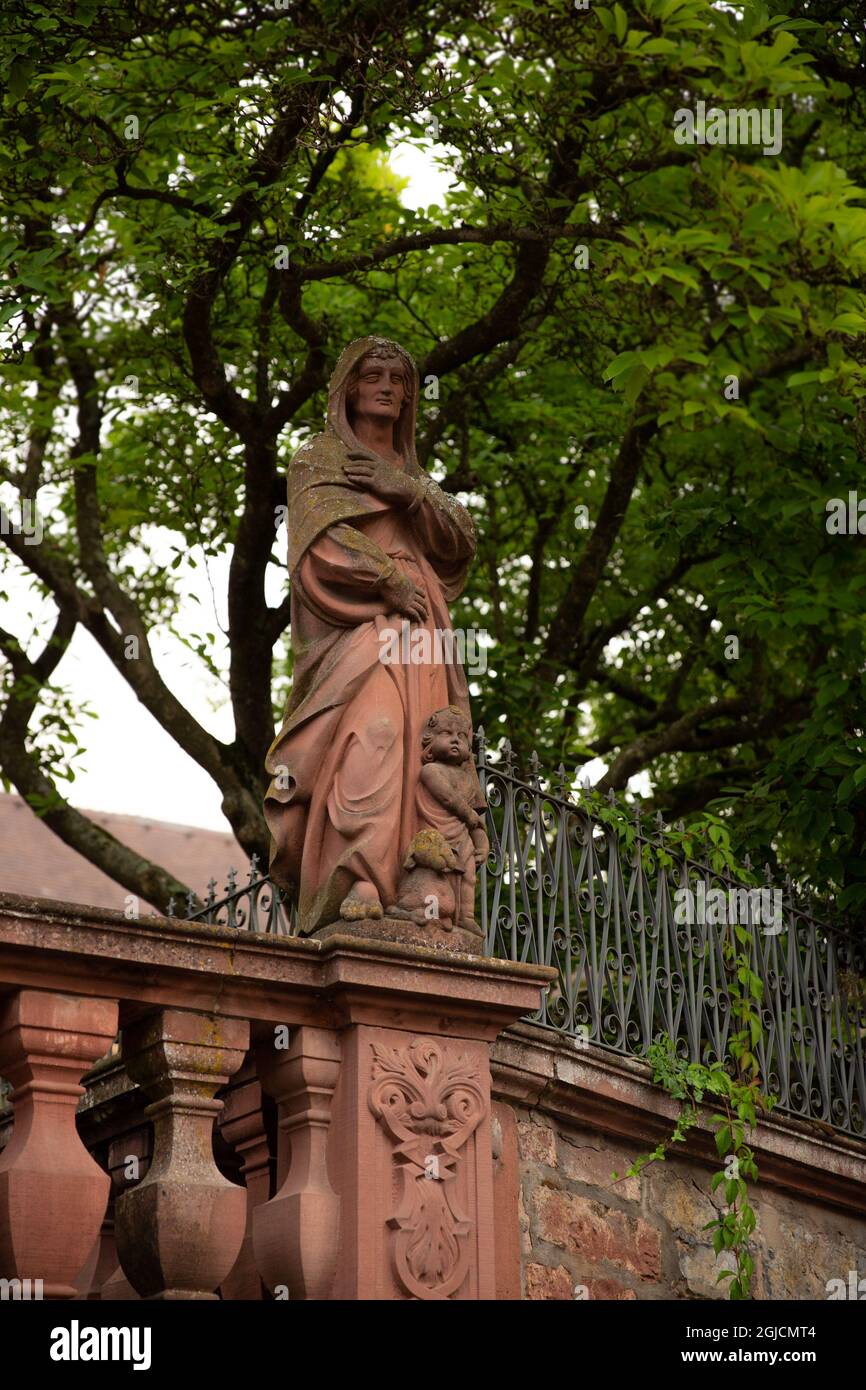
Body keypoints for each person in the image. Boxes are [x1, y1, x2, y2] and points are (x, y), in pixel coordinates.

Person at [264, 335, 483, 935]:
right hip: (363, 624)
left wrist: (406, 491)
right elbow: (318, 545)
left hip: (423, 632)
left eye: (398, 378)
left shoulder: (416, 479)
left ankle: (424, 883)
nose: (387, 386)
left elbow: (462, 538)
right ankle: (356, 873)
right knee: (374, 736)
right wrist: (385, 578)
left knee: (426, 750)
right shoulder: (317, 459)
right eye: (373, 375)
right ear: (350, 389)